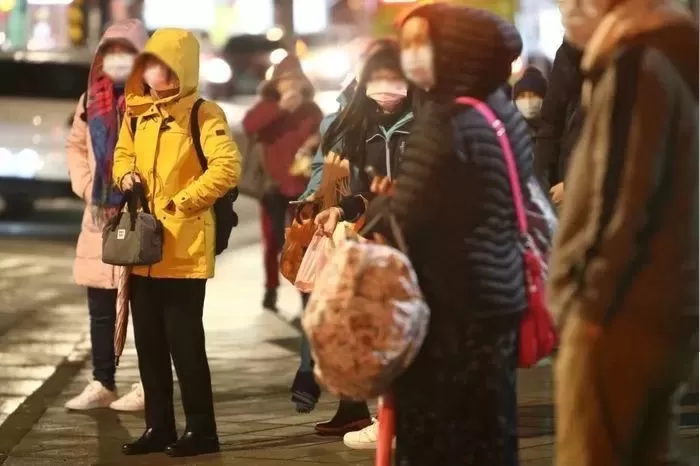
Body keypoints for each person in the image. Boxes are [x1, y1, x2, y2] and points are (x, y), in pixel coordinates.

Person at [364, 4, 530, 464]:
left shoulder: (445, 121)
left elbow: (405, 216)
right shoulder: (498, 109)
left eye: (423, 43)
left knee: (438, 441)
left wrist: (382, 201)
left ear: (454, 50)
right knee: (490, 435)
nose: (411, 56)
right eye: (408, 44)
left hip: (449, 307)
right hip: (498, 296)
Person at [548, 0, 698, 463]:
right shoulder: (670, 56)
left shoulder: (635, 66)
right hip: (658, 305)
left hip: (616, 314)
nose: (565, 10)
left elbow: (618, 200)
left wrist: (584, 305)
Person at [112, 28, 241, 457]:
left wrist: (184, 201)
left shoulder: (203, 113)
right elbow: (123, 155)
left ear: (183, 69)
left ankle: (202, 431)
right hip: (142, 249)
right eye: (151, 64)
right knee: (148, 344)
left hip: (183, 249)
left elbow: (226, 166)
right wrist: (125, 175)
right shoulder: (137, 113)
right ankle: (159, 428)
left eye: (167, 67)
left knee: (185, 345)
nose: (157, 73)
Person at [313, 41, 415, 448]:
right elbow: (358, 192)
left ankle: (402, 422)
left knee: (413, 332)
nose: (386, 87)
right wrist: (340, 210)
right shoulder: (362, 127)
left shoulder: (425, 123)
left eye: (394, 77)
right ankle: (388, 421)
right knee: (383, 332)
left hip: (418, 240)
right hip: (378, 240)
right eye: (378, 79)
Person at [64, 18, 148, 412]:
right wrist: (84, 184)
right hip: (99, 213)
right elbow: (76, 145)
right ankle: (103, 381)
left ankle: (151, 383)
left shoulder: (149, 96)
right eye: (109, 52)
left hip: (141, 212)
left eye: (125, 52)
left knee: (148, 306)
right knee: (100, 305)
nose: (116, 60)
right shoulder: (91, 99)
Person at [242, 57, 323, 312]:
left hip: (303, 186)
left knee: (303, 243)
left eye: (294, 80)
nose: (290, 85)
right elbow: (249, 125)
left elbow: (324, 136)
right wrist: (281, 108)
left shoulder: (311, 110)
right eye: (284, 80)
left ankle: (305, 293)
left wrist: (314, 141)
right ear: (275, 83)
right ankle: (271, 287)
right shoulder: (266, 107)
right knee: (273, 242)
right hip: (272, 185)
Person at [534, 39, 584, 203]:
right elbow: (550, 125)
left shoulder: (622, 55)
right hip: (560, 191)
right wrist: (540, 184)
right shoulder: (567, 53)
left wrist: (572, 186)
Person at [512, 66, 548, 138]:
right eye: (522, 96)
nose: (527, 100)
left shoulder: (557, 128)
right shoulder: (511, 133)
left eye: (533, 95)